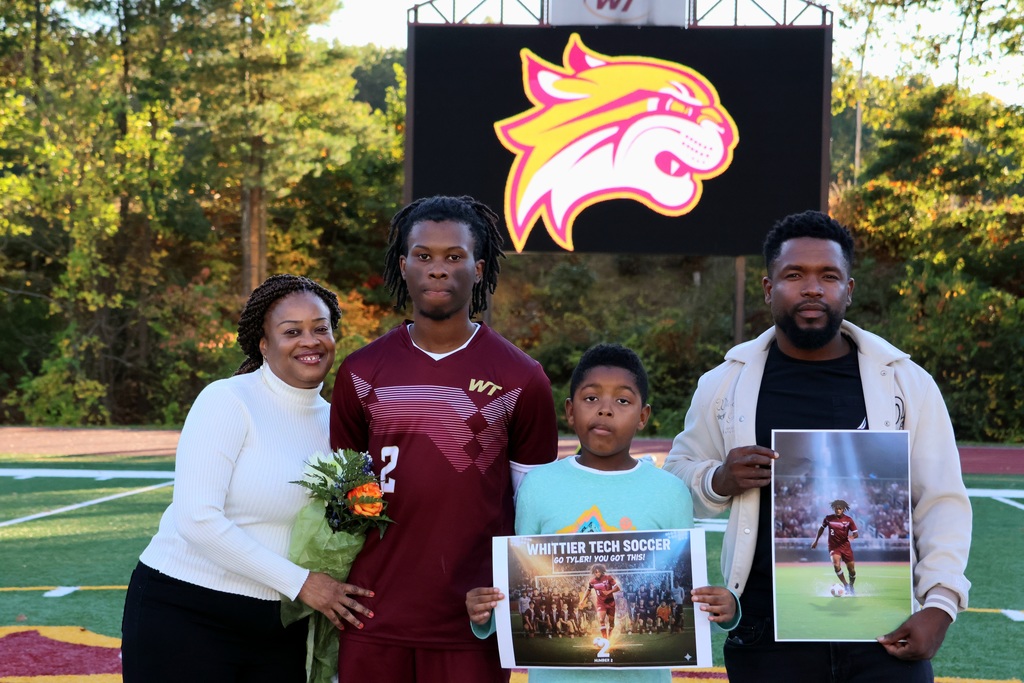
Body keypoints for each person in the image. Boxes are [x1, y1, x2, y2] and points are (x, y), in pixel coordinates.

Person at [663, 210, 972, 682]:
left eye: (828, 276)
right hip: (765, 634)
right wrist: (718, 479)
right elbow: (675, 478)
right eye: (794, 275)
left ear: (849, 289)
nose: (812, 288)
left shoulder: (906, 382)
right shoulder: (725, 384)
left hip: (883, 630)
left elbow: (941, 500)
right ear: (768, 289)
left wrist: (941, 604)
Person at [330, 195, 559, 682]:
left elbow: (536, 511)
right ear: (404, 266)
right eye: (424, 255)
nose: (438, 268)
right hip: (372, 613)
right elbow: (344, 499)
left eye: (454, 256)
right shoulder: (361, 371)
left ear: (478, 269)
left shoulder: (522, 377)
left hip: (474, 619)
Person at [121, 274, 373, 682]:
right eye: (291, 331)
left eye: (320, 328)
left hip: (282, 624)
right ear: (263, 344)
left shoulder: (336, 423)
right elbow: (197, 519)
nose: (309, 341)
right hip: (188, 611)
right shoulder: (228, 399)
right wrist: (303, 583)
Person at [467, 343, 739, 683]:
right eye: (591, 398)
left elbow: (691, 590)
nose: (605, 410)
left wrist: (725, 609)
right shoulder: (538, 486)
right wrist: (486, 614)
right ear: (570, 411)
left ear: (643, 416)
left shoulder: (670, 492)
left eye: (622, 401)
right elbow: (518, 581)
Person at [811, 498, 859, 595]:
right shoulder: (828, 519)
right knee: (836, 565)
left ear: (843, 509)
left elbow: (856, 534)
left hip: (846, 547)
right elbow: (821, 528)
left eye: (840, 509)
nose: (838, 510)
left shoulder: (849, 520)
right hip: (834, 547)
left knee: (852, 570)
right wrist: (816, 541)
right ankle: (845, 585)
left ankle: (851, 585)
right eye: (836, 508)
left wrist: (852, 536)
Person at [580, 564, 621, 641]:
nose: (597, 573)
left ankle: (610, 633)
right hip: (601, 603)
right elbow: (588, 590)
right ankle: (605, 639)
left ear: (602, 571)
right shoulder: (592, 581)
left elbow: (618, 588)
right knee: (601, 619)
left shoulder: (608, 578)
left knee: (611, 622)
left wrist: (609, 591)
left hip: (610, 603)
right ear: (594, 572)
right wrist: (582, 600)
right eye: (596, 572)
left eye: (599, 572)